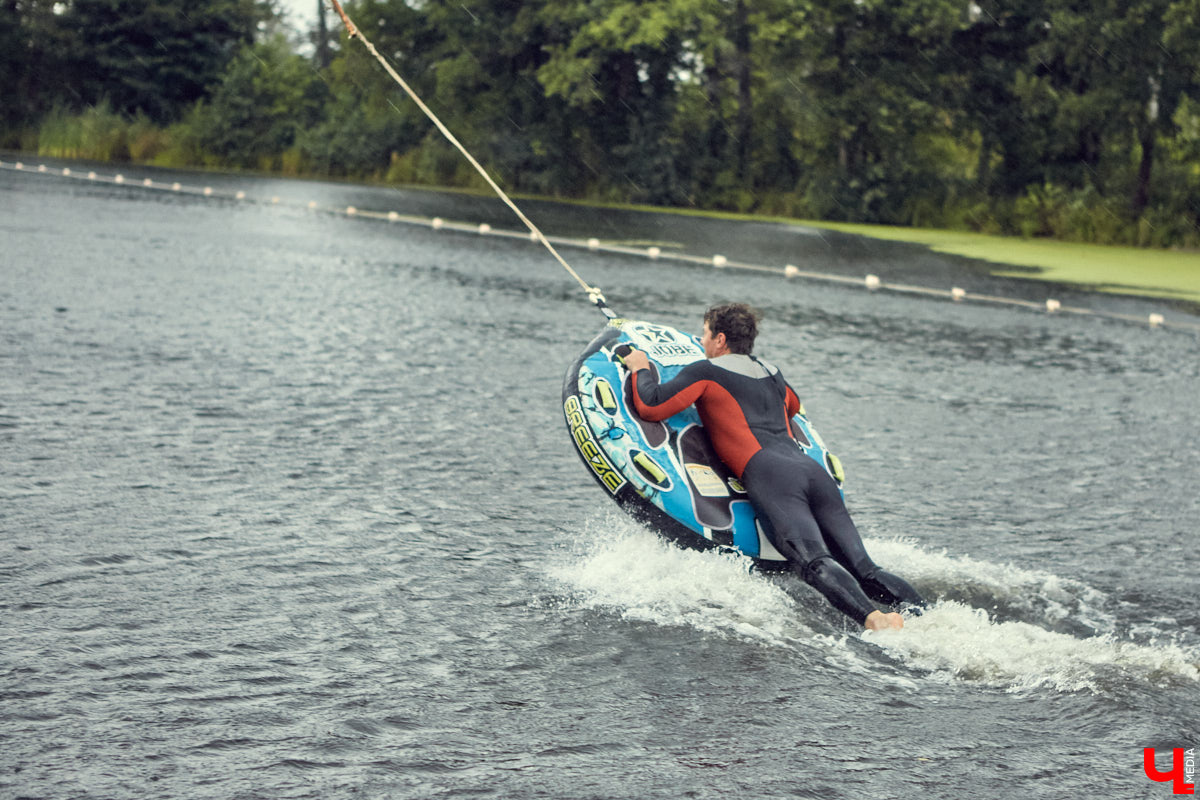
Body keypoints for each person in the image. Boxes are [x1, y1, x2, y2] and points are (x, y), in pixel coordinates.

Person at [623, 303, 924, 631]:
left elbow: (652, 406)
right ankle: (930, 619)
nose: (703, 340)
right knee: (865, 568)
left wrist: (641, 367)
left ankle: (875, 620)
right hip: (811, 471)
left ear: (720, 339)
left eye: (705, 333)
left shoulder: (705, 372)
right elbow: (792, 406)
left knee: (813, 562)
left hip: (771, 475)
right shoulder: (772, 372)